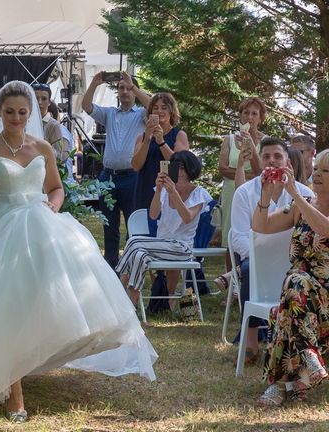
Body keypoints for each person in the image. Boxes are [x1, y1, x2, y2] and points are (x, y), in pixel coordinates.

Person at [0, 80, 157, 422]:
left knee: (42, 302)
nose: (15, 117)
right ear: (0, 113)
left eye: (22, 112)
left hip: (39, 224)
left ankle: (28, 359)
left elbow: (55, 189)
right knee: (2, 303)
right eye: (9, 112)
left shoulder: (42, 148)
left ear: (32, 113)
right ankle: (14, 389)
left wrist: (51, 209)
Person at [252, 149, 329, 406]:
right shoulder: (300, 206)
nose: (316, 174)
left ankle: (280, 385)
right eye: (316, 168)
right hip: (301, 294)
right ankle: (305, 367)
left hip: (325, 296)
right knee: (292, 291)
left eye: (324, 171)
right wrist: (265, 195)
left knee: (287, 301)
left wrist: (295, 192)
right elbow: (260, 226)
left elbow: (323, 228)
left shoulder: (301, 202)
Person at [230, 137, 313, 366]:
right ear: (260, 161)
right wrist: (260, 258)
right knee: (250, 268)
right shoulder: (245, 193)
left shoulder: (303, 192)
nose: (272, 161)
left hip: (292, 259)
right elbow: (238, 236)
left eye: (278, 156)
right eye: (266, 156)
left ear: (287, 160)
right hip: (255, 259)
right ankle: (251, 338)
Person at [116, 151, 211, 308]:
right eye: (174, 167)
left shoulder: (199, 193)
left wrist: (173, 193)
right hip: (161, 244)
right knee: (139, 255)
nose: (178, 172)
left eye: (181, 168)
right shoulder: (164, 191)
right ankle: (130, 306)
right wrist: (160, 190)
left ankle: (117, 290)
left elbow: (187, 217)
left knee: (134, 241)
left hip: (182, 248)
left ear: (190, 169)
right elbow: (153, 215)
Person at [81, 71, 151, 268]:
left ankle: (130, 264)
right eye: (121, 88)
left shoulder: (141, 115)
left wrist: (134, 86)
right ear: (117, 93)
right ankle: (111, 264)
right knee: (109, 224)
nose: (125, 92)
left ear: (135, 92)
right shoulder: (110, 113)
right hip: (108, 176)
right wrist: (95, 83)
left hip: (132, 177)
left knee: (133, 224)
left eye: (128, 89)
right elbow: (86, 106)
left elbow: (153, 107)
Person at [218, 97, 267, 273]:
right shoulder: (229, 139)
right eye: (246, 113)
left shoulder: (266, 142)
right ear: (240, 116)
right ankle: (231, 281)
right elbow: (223, 168)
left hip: (256, 192)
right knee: (230, 233)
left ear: (261, 118)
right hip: (232, 191)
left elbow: (261, 171)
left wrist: (251, 145)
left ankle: (252, 275)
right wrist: (248, 174)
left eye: (255, 113)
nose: (250, 117)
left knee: (251, 230)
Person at [131, 92, 189, 216]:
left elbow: (180, 165)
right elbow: (136, 166)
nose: (159, 111)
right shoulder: (142, 137)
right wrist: (147, 139)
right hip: (145, 189)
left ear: (171, 111)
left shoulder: (179, 135)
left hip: (170, 191)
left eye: (164, 107)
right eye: (155, 108)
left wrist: (161, 142)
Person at [33, 82, 68, 161]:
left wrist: (45, 149)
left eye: (44, 99)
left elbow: (61, 156)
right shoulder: (25, 122)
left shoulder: (53, 125)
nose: (39, 102)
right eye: (36, 98)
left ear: (49, 102)